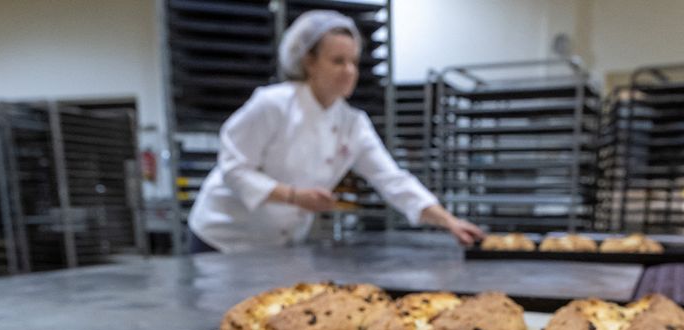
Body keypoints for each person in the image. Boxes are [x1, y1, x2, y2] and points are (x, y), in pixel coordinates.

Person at [187, 9, 482, 253]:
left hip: (277, 244)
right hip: (221, 237)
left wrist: (448, 221)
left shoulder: (353, 123)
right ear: (309, 62)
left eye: (353, 62)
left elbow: (392, 179)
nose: (349, 71)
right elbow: (233, 168)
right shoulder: (273, 105)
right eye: (337, 61)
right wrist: (293, 196)